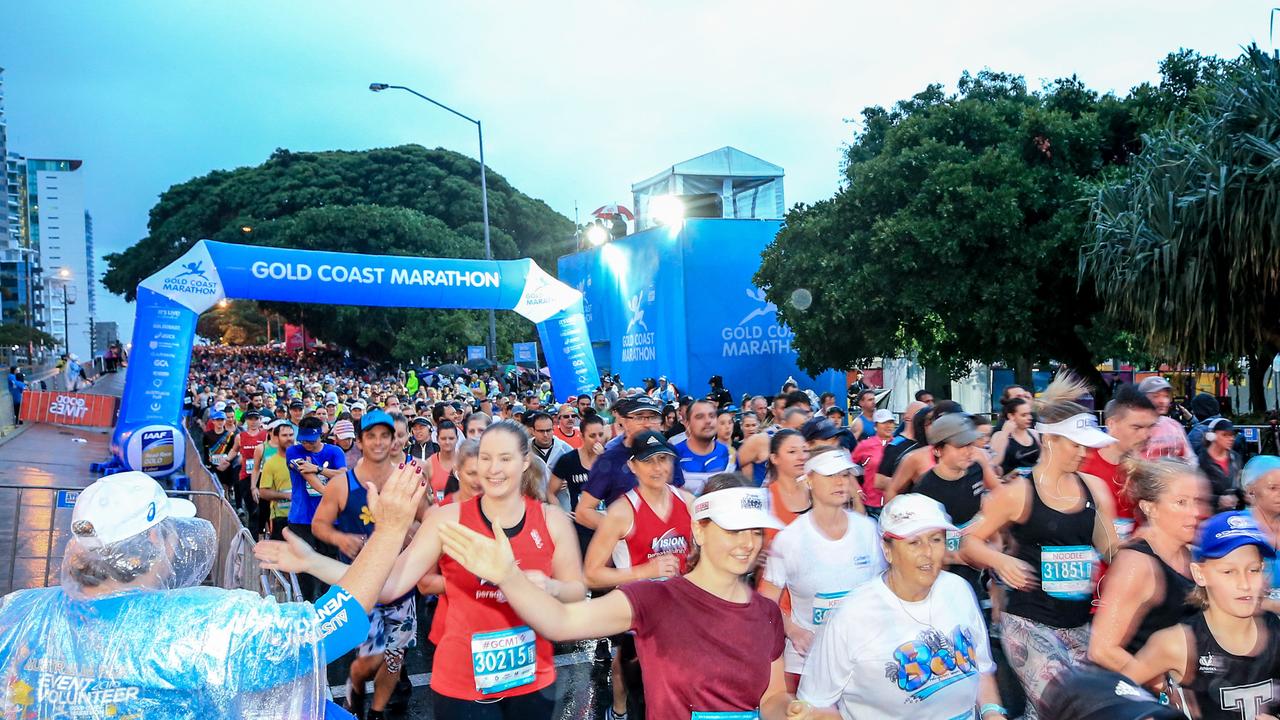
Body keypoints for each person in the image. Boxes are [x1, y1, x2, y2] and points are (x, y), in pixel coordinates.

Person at [0, 466, 426, 718]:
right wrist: (389, 529)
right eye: (167, 533)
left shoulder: (18, 613)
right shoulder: (196, 627)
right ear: (152, 544)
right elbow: (324, 630)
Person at [438, 472, 814, 720]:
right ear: (699, 531)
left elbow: (771, 699)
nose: (747, 544)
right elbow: (562, 621)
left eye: (755, 532)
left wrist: (794, 710)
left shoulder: (765, 613)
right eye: (733, 531)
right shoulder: (656, 601)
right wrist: (508, 575)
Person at [354, 421, 587, 719]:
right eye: (486, 457)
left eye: (505, 458)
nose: (493, 468)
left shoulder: (552, 520)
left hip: (532, 678)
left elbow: (576, 591)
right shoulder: (445, 519)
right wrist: (386, 532)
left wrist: (550, 587)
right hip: (461, 682)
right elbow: (387, 588)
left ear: (525, 461)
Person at [960, 374, 1121, 719]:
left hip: (1079, 626)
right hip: (1029, 623)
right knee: (1067, 706)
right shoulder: (1019, 492)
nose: (1083, 453)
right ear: (1049, 440)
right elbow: (968, 541)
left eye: (1085, 446)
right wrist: (999, 561)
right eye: (1075, 445)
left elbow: (1112, 551)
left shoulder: (1094, 489)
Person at [798, 494, 1007, 719]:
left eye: (936, 539)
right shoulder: (852, 616)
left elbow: (983, 670)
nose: (927, 552)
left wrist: (992, 712)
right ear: (887, 549)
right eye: (914, 542)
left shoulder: (959, 590)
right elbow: (816, 704)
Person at [312, 410, 423, 719]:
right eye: (371, 436)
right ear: (359, 442)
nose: (378, 442)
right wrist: (339, 538)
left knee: (393, 657)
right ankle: (357, 684)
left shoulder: (407, 479)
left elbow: (427, 521)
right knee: (369, 661)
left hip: (400, 582)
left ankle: (375, 712)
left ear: (393, 441)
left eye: (384, 436)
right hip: (360, 586)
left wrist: (411, 533)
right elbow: (319, 525)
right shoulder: (342, 485)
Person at [1120, 511, 1280, 720]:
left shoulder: (1275, 632)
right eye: (1228, 572)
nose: (1245, 584)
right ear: (1200, 574)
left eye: (1253, 570)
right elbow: (1116, 693)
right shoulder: (1179, 643)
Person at [583, 430, 696, 720]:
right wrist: (646, 570)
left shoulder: (689, 502)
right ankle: (619, 712)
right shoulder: (622, 511)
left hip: (680, 612)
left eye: (663, 459)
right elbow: (591, 575)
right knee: (631, 677)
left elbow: (700, 556)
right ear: (633, 466)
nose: (658, 468)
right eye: (648, 461)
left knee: (677, 685)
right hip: (637, 613)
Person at [760, 449, 885, 692]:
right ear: (808, 481)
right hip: (808, 665)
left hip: (862, 660)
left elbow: (883, 590)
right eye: (830, 475)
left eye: (845, 474)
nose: (841, 482)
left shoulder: (868, 530)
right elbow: (766, 601)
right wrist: (793, 631)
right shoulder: (789, 539)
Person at [1088, 459, 1207, 675]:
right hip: (1145, 701)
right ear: (1149, 507)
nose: (1195, 512)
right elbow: (1102, 650)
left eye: (1196, 501)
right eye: (1181, 502)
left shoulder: (1189, 552)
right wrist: (1165, 689)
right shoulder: (1136, 564)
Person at [912, 413, 997, 601]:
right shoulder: (925, 490)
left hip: (976, 574)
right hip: (941, 581)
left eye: (970, 444)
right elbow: (921, 550)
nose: (969, 451)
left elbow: (988, 507)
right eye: (960, 446)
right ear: (937, 450)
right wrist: (966, 556)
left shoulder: (976, 470)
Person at [576, 395, 685, 531]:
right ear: (624, 422)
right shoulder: (610, 459)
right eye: (639, 417)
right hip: (628, 548)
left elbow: (679, 496)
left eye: (653, 417)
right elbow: (583, 512)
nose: (647, 424)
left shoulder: (669, 453)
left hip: (669, 541)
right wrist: (626, 532)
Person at [1079, 386, 1160, 544]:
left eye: (1150, 427)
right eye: (1137, 427)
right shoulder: (1082, 462)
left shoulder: (1144, 471)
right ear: (1112, 424)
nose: (1146, 435)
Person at [285, 415, 348, 599]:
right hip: (302, 517)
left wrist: (319, 469)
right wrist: (326, 488)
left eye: (311, 441)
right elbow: (308, 476)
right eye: (303, 440)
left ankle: (327, 603)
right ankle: (307, 603)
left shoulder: (335, 451)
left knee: (328, 562)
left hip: (329, 518)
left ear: (321, 435)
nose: (307, 445)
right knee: (305, 565)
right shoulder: (293, 451)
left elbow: (343, 474)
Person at [673, 399, 733, 495]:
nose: (708, 421)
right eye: (700, 417)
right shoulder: (674, 455)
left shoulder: (729, 455)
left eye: (712, 416)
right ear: (687, 423)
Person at [1138, 377, 1196, 463]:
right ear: (1142, 398)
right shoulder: (1133, 427)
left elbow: (1191, 460)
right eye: (1155, 396)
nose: (1162, 401)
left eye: (1166, 396)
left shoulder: (1174, 426)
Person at [852, 409, 896, 517]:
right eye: (884, 423)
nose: (888, 426)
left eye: (890, 422)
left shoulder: (898, 444)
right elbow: (847, 467)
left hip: (894, 503)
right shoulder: (865, 445)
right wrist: (856, 489)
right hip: (871, 503)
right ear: (876, 426)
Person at [256, 420, 297, 540]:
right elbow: (263, 492)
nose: (288, 438)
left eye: (290, 435)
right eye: (284, 435)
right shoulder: (271, 463)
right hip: (281, 517)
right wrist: (286, 495)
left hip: (303, 516)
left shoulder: (303, 459)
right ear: (276, 438)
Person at [1198, 417, 1242, 511]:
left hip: (1233, 516)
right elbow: (1196, 493)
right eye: (1225, 435)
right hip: (1210, 516)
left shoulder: (1236, 457)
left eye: (1232, 435)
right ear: (1211, 436)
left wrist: (1245, 496)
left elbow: (1237, 486)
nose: (1231, 439)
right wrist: (1218, 500)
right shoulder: (1201, 461)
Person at [989, 397, 1041, 477]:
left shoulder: (1034, 433)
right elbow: (993, 463)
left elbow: (1044, 459)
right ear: (1011, 416)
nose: (1029, 418)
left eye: (1029, 414)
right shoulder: (999, 436)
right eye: (1024, 415)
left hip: (1034, 483)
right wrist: (1005, 433)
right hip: (1011, 485)